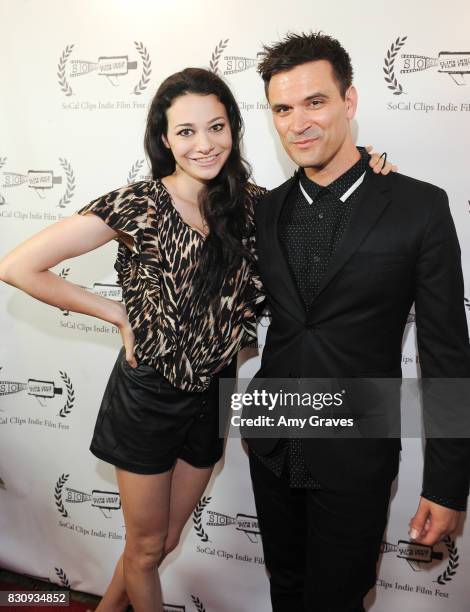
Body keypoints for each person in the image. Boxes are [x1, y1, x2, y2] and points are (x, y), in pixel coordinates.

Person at [0, 66, 392, 612]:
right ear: (164, 138)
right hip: (148, 397)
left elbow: (328, 209)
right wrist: (116, 313)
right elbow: (19, 266)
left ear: (233, 128)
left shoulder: (254, 205)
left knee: (159, 545)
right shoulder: (139, 204)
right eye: (186, 131)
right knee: (142, 551)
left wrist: (370, 167)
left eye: (216, 127)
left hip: (213, 394)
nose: (204, 144)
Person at [243, 32, 470, 612]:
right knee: (285, 591)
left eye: (315, 102)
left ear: (350, 101)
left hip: (355, 445)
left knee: (338, 600)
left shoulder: (419, 206)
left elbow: (445, 354)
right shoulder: (265, 209)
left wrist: (447, 486)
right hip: (273, 436)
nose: (298, 123)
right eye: (282, 109)